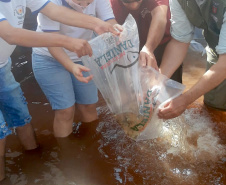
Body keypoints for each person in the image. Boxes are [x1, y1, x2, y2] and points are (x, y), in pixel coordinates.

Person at [0, 0, 120, 181]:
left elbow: (55, 11)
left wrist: (100, 25)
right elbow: (10, 35)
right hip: (46, 58)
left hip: (3, 65)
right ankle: (64, 160)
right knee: (2, 131)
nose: (86, 3)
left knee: (21, 116)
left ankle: (35, 163)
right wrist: (68, 43)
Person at [32, 0, 121, 142]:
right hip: (49, 57)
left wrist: (117, 30)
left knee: (89, 105)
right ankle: (67, 154)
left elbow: (108, 20)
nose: (85, 5)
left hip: (83, 56)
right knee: (65, 110)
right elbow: (52, 42)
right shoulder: (51, 3)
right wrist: (71, 66)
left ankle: (93, 147)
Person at [158, 0, 226, 119]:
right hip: (217, 48)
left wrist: (185, 100)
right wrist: (156, 83)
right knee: (214, 108)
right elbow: (180, 41)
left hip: (223, 59)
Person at [110, 0, 183, 83]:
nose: (133, 5)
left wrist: (148, 48)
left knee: (168, 87)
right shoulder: (110, 4)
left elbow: (159, 16)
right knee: (135, 87)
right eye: (127, 2)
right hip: (132, 46)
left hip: (165, 43)